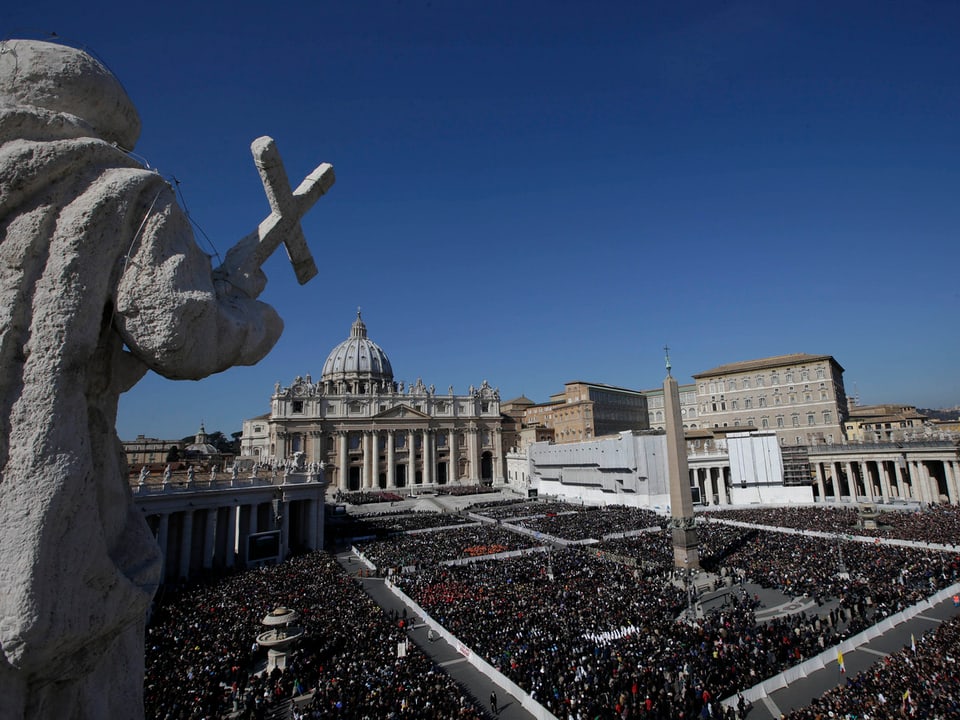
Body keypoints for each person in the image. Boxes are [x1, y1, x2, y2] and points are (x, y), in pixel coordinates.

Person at [0, 38, 296, 718]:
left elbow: (81, 362)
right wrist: (252, 312)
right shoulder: (115, 187)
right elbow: (181, 336)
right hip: (46, 516)